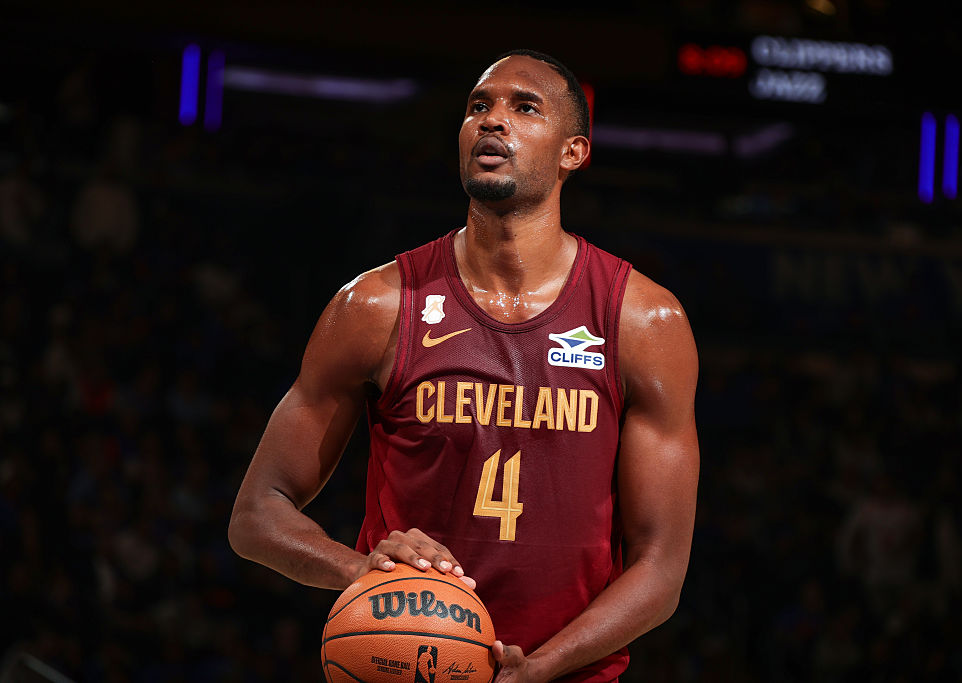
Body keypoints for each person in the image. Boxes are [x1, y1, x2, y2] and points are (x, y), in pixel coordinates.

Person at [229, 49, 700, 682]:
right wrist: (364, 574)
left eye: (523, 107)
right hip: (403, 665)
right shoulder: (375, 306)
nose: (492, 120)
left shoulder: (642, 322)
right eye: (479, 106)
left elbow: (661, 570)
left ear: (574, 153)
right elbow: (257, 513)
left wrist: (540, 668)